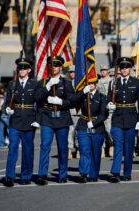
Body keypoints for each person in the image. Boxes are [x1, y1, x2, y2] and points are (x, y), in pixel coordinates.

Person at [35, 56, 87, 185]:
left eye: (57, 65)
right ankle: (42, 175)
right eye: (52, 65)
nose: (54, 68)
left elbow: (73, 101)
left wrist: (61, 102)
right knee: (45, 146)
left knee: (63, 148)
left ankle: (62, 175)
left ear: (60, 67)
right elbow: (37, 98)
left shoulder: (66, 83)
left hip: (62, 117)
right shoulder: (43, 82)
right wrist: (48, 86)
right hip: (47, 117)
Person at [107, 57, 139, 183]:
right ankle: (115, 172)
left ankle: (127, 172)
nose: (124, 70)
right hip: (117, 118)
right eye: (122, 67)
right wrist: (109, 104)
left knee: (129, 148)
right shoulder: (114, 82)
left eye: (126, 67)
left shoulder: (137, 82)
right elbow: (108, 99)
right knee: (118, 145)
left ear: (130, 69)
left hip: (131, 118)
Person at [3, 57, 40, 187]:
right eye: (20, 68)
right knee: (12, 148)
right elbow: (8, 100)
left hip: (29, 120)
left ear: (29, 70)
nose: (22, 70)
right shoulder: (12, 84)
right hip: (15, 120)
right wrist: (7, 108)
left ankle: (26, 176)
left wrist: (38, 119)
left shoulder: (34, 84)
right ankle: (10, 177)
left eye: (24, 68)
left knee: (28, 150)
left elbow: (39, 103)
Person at [76, 79, 108, 183]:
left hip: (97, 127)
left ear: (96, 84)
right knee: (84, 150)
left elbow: (104, 114)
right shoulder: (83, 95)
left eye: (92, 83)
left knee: (96, 151)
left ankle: (93, 174)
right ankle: (84, 173)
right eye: (89, 83)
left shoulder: (102, 97)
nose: (91, 85)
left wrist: (94, 123)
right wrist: (82, 93)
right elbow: (73, 100)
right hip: (83, 124)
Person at [97, 64, 113, 157]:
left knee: (109, 129)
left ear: (108, 71)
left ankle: (111, 145)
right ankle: (102, 148)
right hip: (100, 109)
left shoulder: (112, 82)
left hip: (109, 109)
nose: (103, 71)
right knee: (100, 130)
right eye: (102, 70)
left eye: (105, 70)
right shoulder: (97, 82)